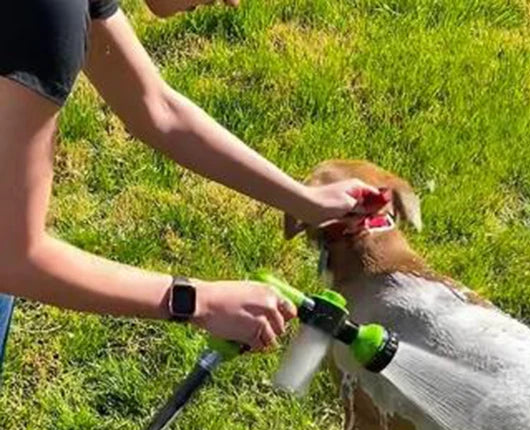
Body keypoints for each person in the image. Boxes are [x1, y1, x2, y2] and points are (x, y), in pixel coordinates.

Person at [0, 0, 379, 367]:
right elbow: (13, 258)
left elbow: (158, 109)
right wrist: (199, 301)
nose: (234, 3)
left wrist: (304, 201)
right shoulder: (42, 20)